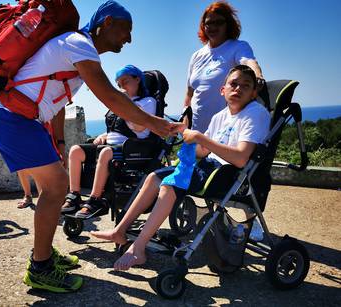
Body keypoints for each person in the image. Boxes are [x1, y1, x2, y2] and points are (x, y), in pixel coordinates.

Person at [0, 1, 175, 292]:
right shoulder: (79, 44)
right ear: (108, 23)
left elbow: (57, 102)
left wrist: (59, 141)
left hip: (24, 121)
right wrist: (156, 124)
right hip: (15, 121)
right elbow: (110, 97)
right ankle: (40, 267)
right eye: (127, 30)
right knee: (56, 188)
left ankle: (45, 256)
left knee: (54, 188)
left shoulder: (75, 48)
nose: (129, 39)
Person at [91, 65, 270, 271]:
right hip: (210, 168)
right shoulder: (221, 116)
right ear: (223, 90)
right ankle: (119, 231)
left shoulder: (256, 114)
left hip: (230, 175)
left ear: (254, 92)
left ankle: (138, 249)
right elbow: (203, 151)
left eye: (245, 86)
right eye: (234, 84)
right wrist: (184, 133)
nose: (238, 89)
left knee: (169, 185)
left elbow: (240, 159)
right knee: (153, 178)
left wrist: (200, 138)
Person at [184, 1, 265, 241]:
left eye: (218, 22)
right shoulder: (197, 55)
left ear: (228, 24)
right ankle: (216, 221)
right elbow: (190, 90)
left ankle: (252, 221)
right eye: (208, 23)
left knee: (240, 177)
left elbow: (249, 64)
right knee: (208, 176)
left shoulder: (236, 47)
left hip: (229, 125)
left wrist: (258, 76)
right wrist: (185, 114)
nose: (212, 27)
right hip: (201, 127)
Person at [61, 64, 157, 219]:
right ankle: (74, 195)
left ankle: (95, 200)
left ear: (137, 79)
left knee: (106, 152)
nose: (122, 87)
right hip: (111, 146)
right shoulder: (120, 104)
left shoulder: (147, 102)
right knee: (76, 150)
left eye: (125, 82)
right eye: (119, 85)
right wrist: (104, 135)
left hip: (132, 148)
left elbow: (139, 127)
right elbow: (116, 127)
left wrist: (125, 104)